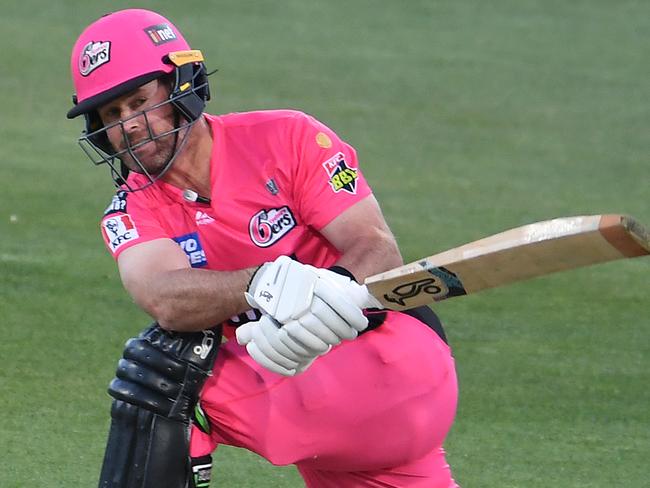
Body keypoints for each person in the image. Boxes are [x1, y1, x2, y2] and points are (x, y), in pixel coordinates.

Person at [67, 8, 459, 488]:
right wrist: (263, 283)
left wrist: (324, 292)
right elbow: (164, 296)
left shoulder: (286, 137)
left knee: (159, 372)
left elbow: (376, 248)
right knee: (172, 340)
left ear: (182, 84)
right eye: (111, 113)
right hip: (316, 406)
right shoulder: (129, 209)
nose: (128, 125)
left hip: (389, 361)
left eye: (138, 101)